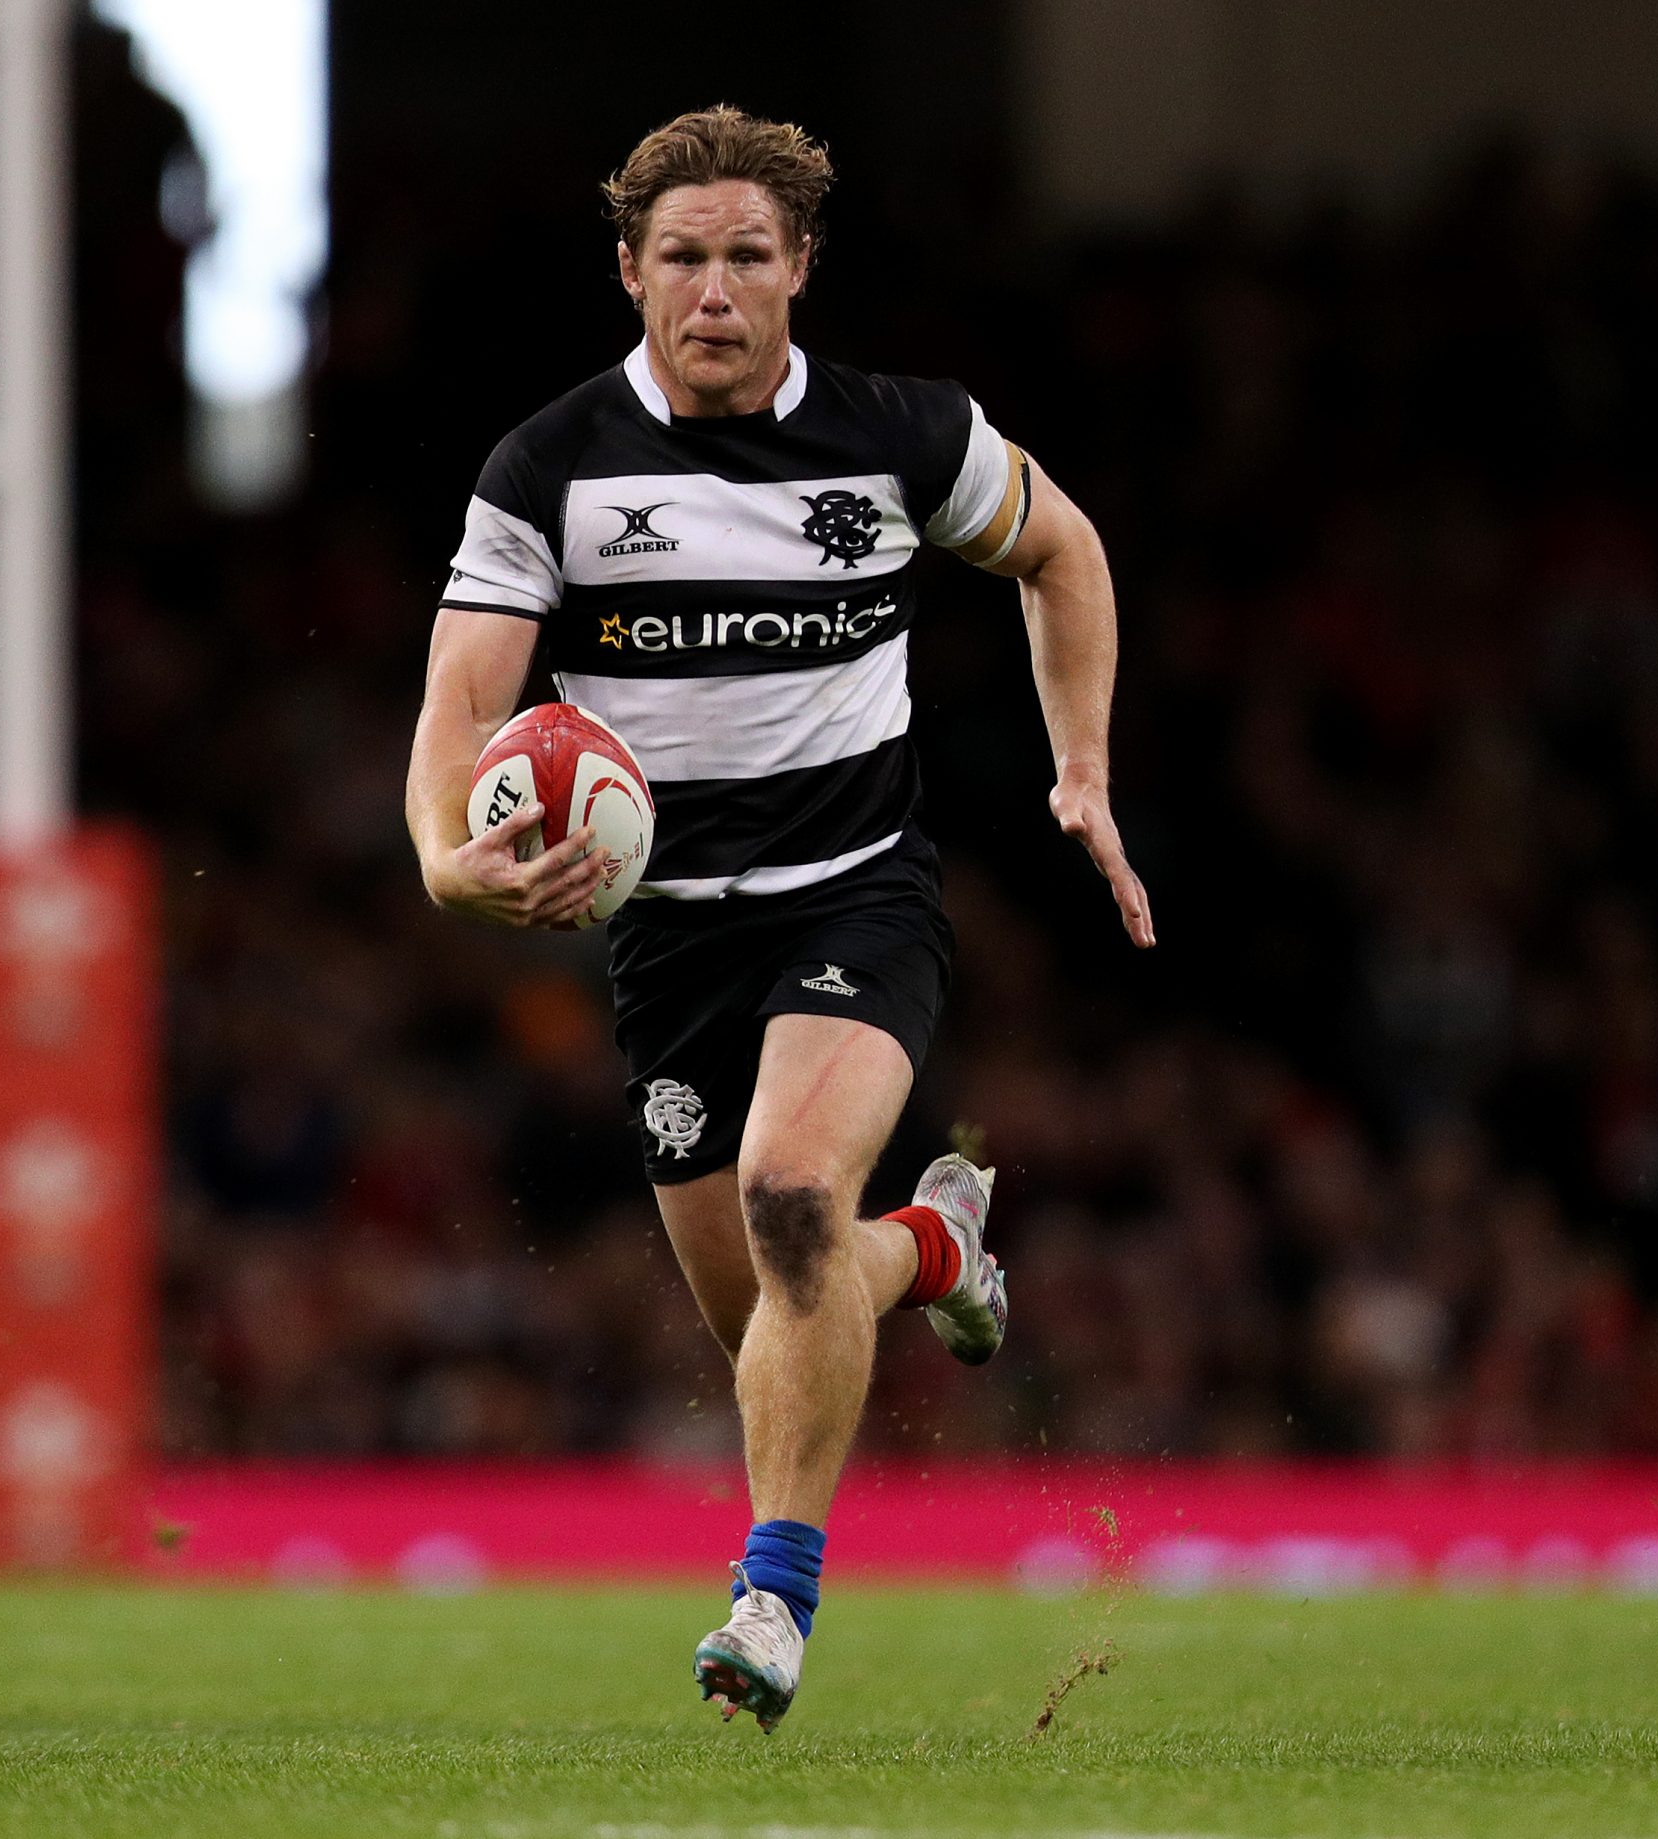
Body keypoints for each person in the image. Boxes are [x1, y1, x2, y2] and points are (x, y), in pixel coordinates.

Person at [402, 106, 1154, 1730]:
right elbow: (459, 708)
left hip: (854, 899)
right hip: (667, 940)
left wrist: (1080, 768)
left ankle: (774, 1601)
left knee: (793, 1195)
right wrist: (447, 860)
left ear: (802, 267)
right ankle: (938, 1242)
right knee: (782, 1319)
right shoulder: (551, 468)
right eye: (684, 258)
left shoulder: (906, 437)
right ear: (630, 274)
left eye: (751, 256)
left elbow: (1067, 552)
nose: (718, 291)